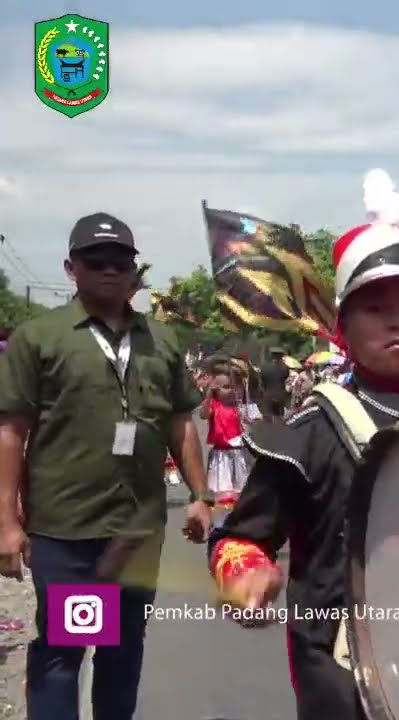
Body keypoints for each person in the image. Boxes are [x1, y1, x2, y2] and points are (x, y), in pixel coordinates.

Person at [207, 171, 399, 720]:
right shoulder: (309, 432)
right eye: (376, 309)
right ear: (342, 327)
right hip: (341, 669)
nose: (398, 321)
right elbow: (238, 540)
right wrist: (243, 572)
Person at [0, 212, 211, 720]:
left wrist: (200, 494)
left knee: (122, 647)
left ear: (134, 270)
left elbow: (180, 422)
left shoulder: (160, 340)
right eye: (96, 260)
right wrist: (6, 521)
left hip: (136, 530)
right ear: (71, 268)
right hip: (68, 529)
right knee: (67, 649)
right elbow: (11, 432)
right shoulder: (41, 337)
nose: (110, 270)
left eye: (121, 260)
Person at [200, 371, 250, 507]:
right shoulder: (214, 405)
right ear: (216, 390)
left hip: (239, 453)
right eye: (226, 387)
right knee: (224, 494)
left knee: (242, 491)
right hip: (221, 455)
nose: (231, 390)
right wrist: (208, 395)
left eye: (234, 386)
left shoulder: (238, 406)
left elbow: (251, 420)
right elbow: (203, 415)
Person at [258, 346, 290, 420]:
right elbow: (286, 377)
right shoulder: (285, 367)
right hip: (280, 395)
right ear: (281, 356)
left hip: (268, 394)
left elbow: (262, 380)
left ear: (272, 355)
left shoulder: (265, 367)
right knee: (280, 416)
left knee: (268, 417)